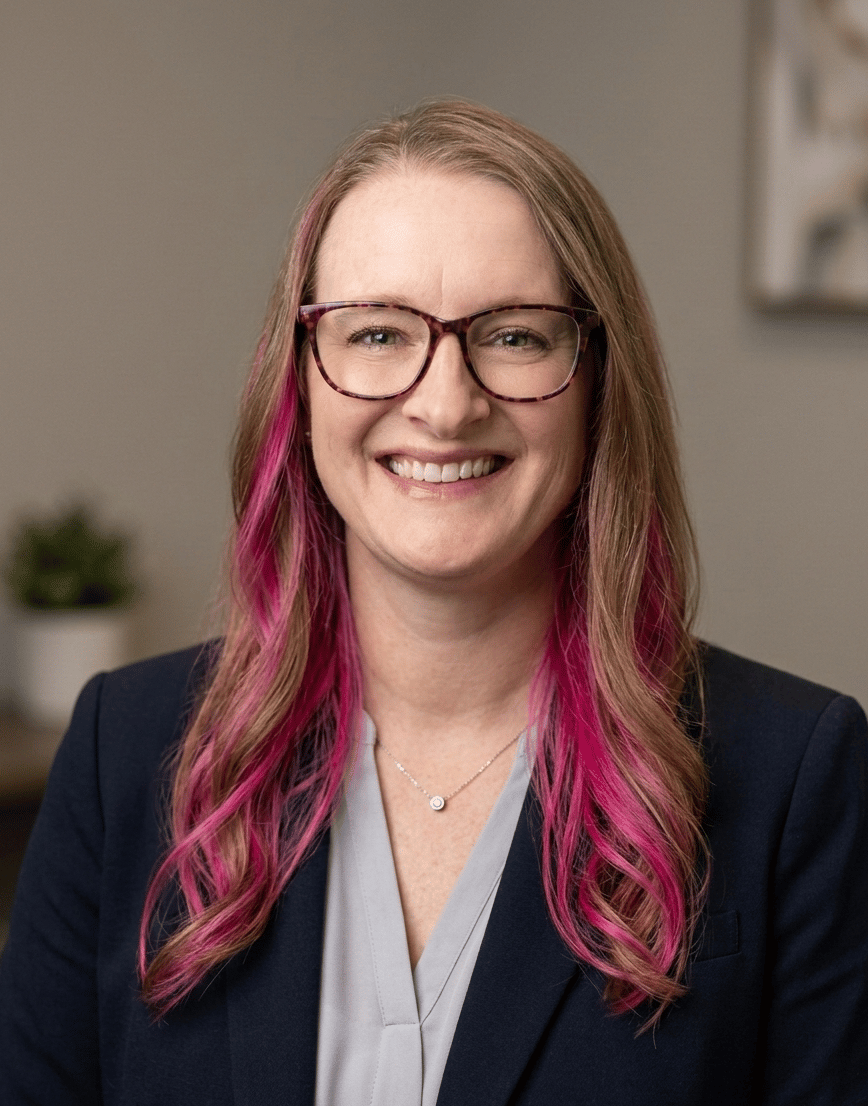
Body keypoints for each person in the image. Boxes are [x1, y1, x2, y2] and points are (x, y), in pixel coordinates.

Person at [0, 99, 866, 1106]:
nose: (446, 404)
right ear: (298, 381)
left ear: (598, 384)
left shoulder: (795, 777)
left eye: (514, 335)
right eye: (376, 331)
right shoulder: (122, 750)